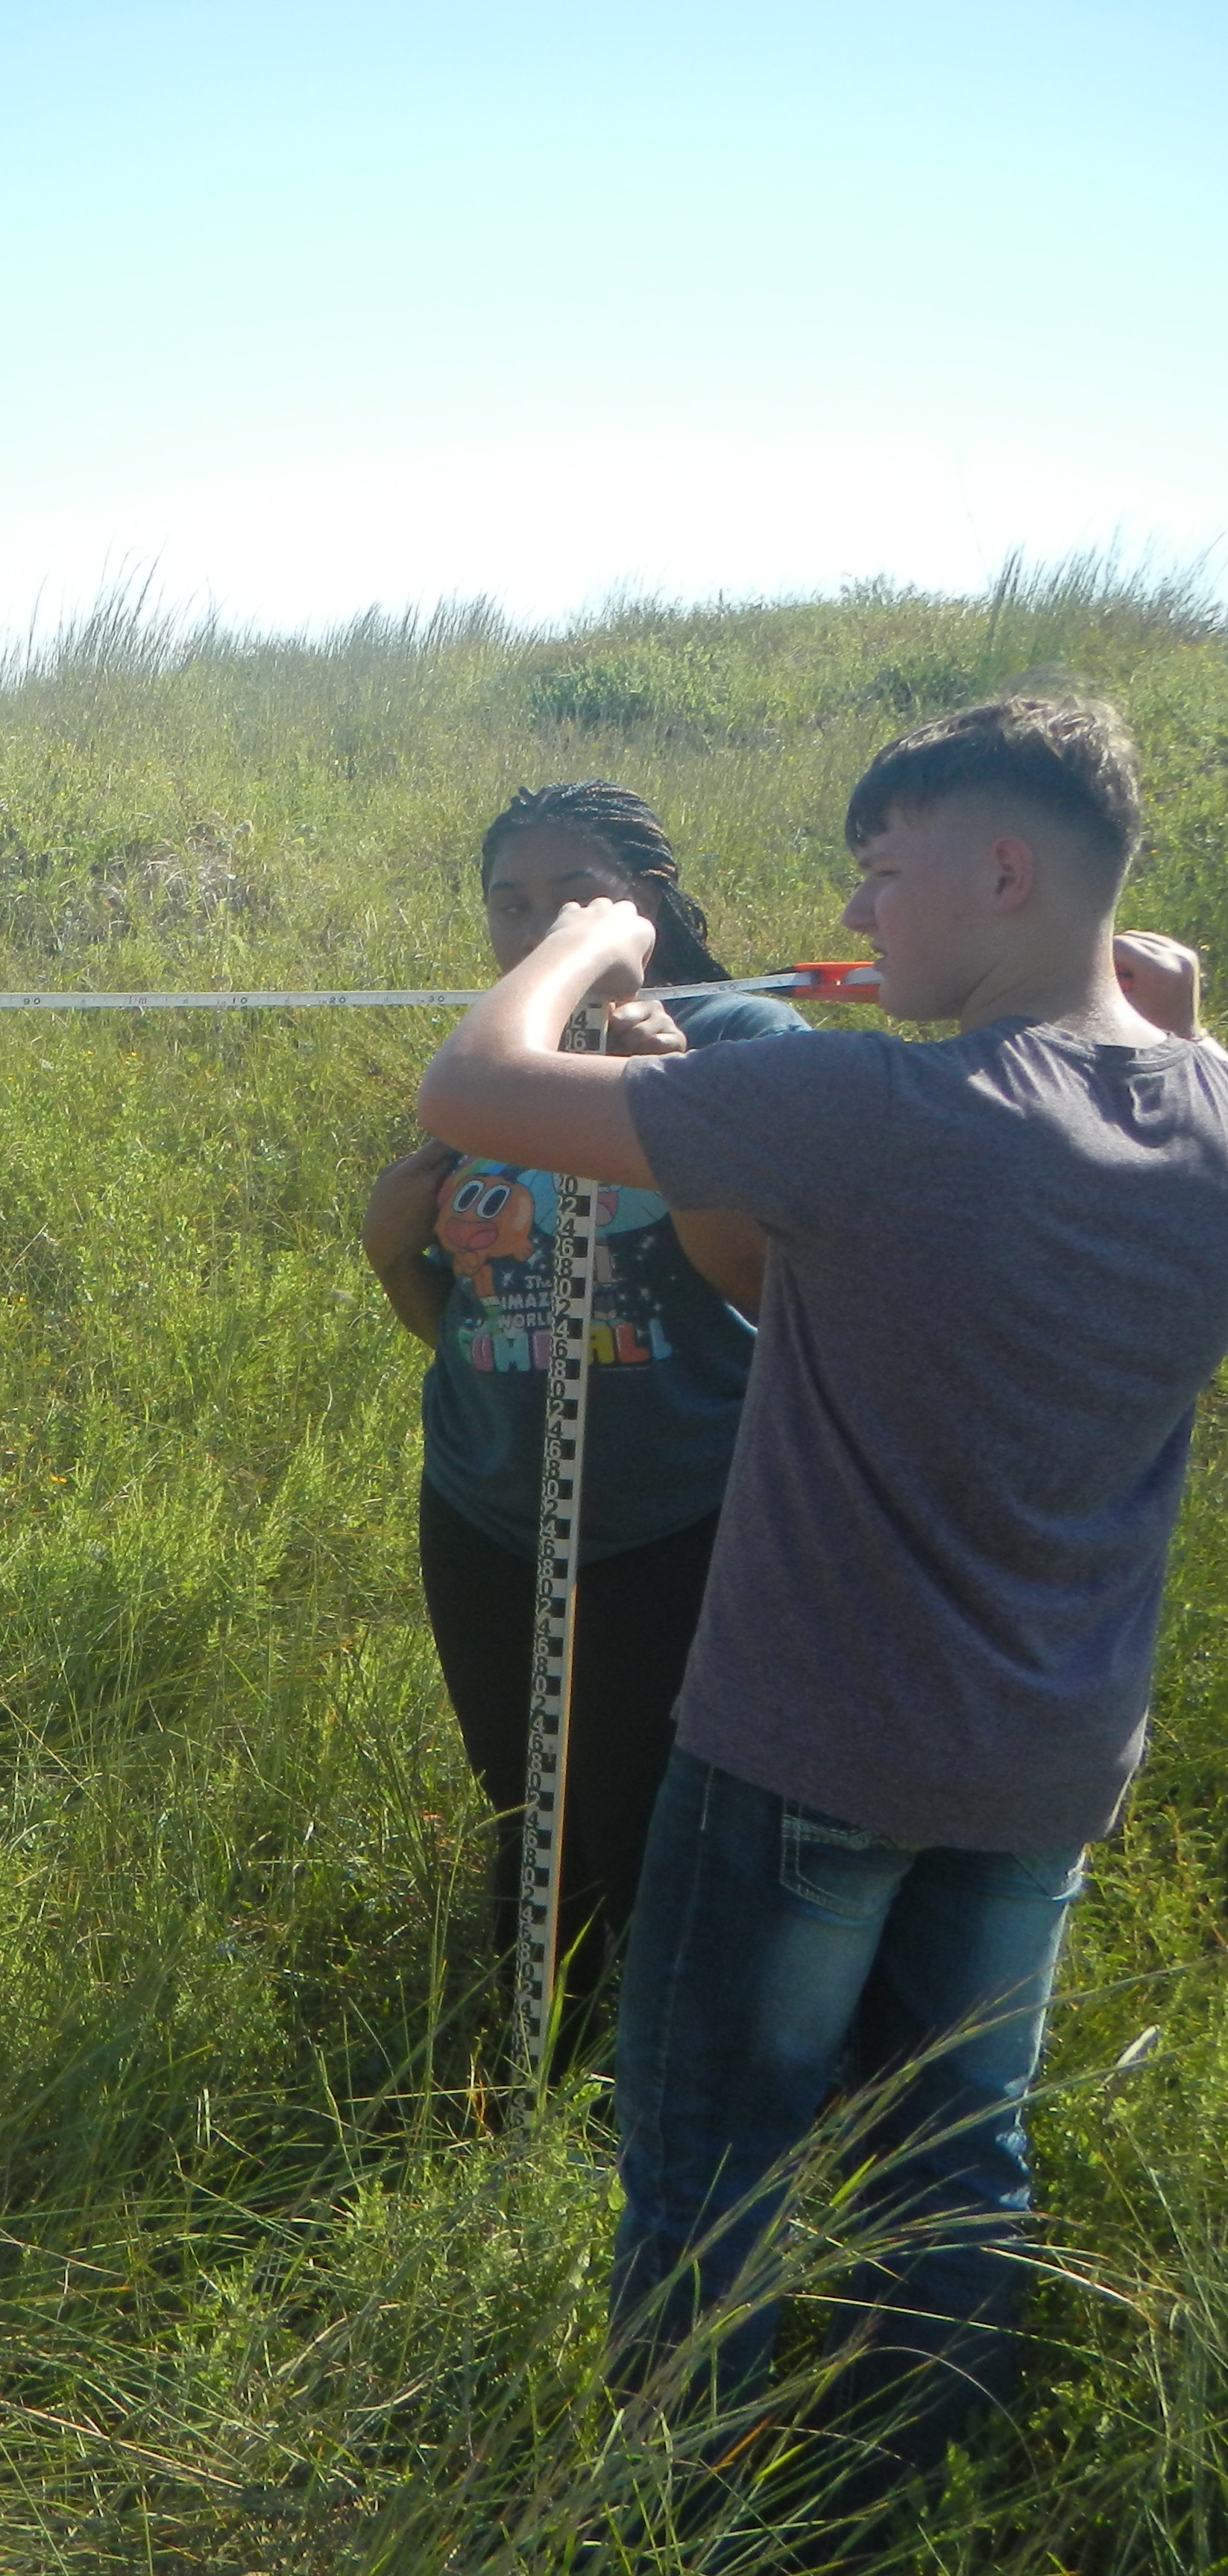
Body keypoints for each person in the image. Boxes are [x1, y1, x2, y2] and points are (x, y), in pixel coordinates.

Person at [415, 698, 1228, 2484]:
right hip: (1043, 1772)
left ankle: (684, 2491)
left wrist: (574, 943)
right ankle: (900, 2480)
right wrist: (1176, 1031)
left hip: (806, 1748)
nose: (857, 923)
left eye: (883, 873)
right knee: (961, 2143)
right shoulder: (1213, 1119)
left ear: (1004, 871)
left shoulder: (857, 1103)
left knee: (716, 2142)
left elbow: (469, 1094)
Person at [360, 786, 800, 2046]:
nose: (532, 923)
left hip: (673, 1514)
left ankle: (660, 2102)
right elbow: (488, 1325)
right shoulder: (500, 1049)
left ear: (642, 902)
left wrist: (672, 1097)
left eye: (571, 894)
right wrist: (395, 1261)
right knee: (521, 1814)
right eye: (508, 899)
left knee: (645, 1823)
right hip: (485, 1507)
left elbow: (777, 1290)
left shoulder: (745, 1039)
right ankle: (519, 2075)